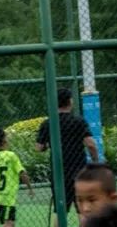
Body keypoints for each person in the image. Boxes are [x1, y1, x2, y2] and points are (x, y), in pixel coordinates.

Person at [36, 88, 99, 216]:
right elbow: (90, 144)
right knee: (82, 208)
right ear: (70, 101)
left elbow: (39, 148)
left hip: (59, 171)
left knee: (60, 211)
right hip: (78, 169)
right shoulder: (78, 121)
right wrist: (95, 161)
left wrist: (49, 143)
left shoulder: (48, 123)